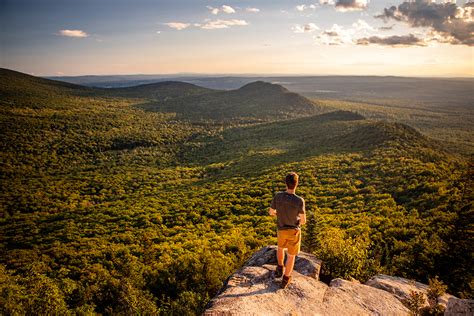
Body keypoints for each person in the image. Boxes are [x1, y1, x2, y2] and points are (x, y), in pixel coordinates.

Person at [268, 172, 306, 289]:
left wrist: (279, 214)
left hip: (281, 229)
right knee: (291, 255)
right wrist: (297, 220)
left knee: (280, 248)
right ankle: (286, 279)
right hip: (293, 231)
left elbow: (271, 212)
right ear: (296, 184)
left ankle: (279, 268)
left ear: (286, 183)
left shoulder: (278, 196)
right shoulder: (299, 200)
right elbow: (303, 220)